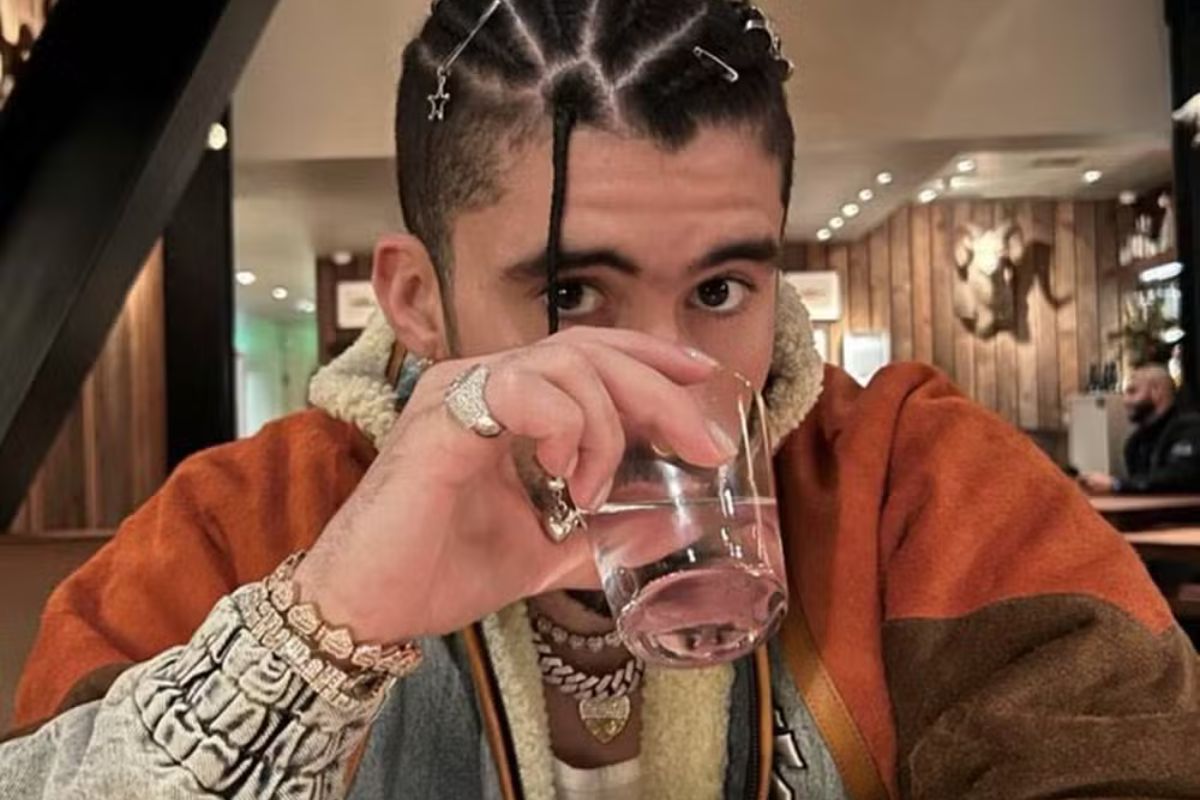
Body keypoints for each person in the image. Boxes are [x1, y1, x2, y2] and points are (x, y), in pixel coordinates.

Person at [2, 2, 1198, 798]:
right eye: (572, 292)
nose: (664, 385)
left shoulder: (921, 483)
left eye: (721, 288)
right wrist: (321, 633)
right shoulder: (237, 526)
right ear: (417, 299)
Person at [1080, 363, 1200, 495]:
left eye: (1132, 392)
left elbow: (1180, 477)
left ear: (1156, 392)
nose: (1125, 401)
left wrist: (1116, 484)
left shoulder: (1191, 429)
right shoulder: (1134, 444)